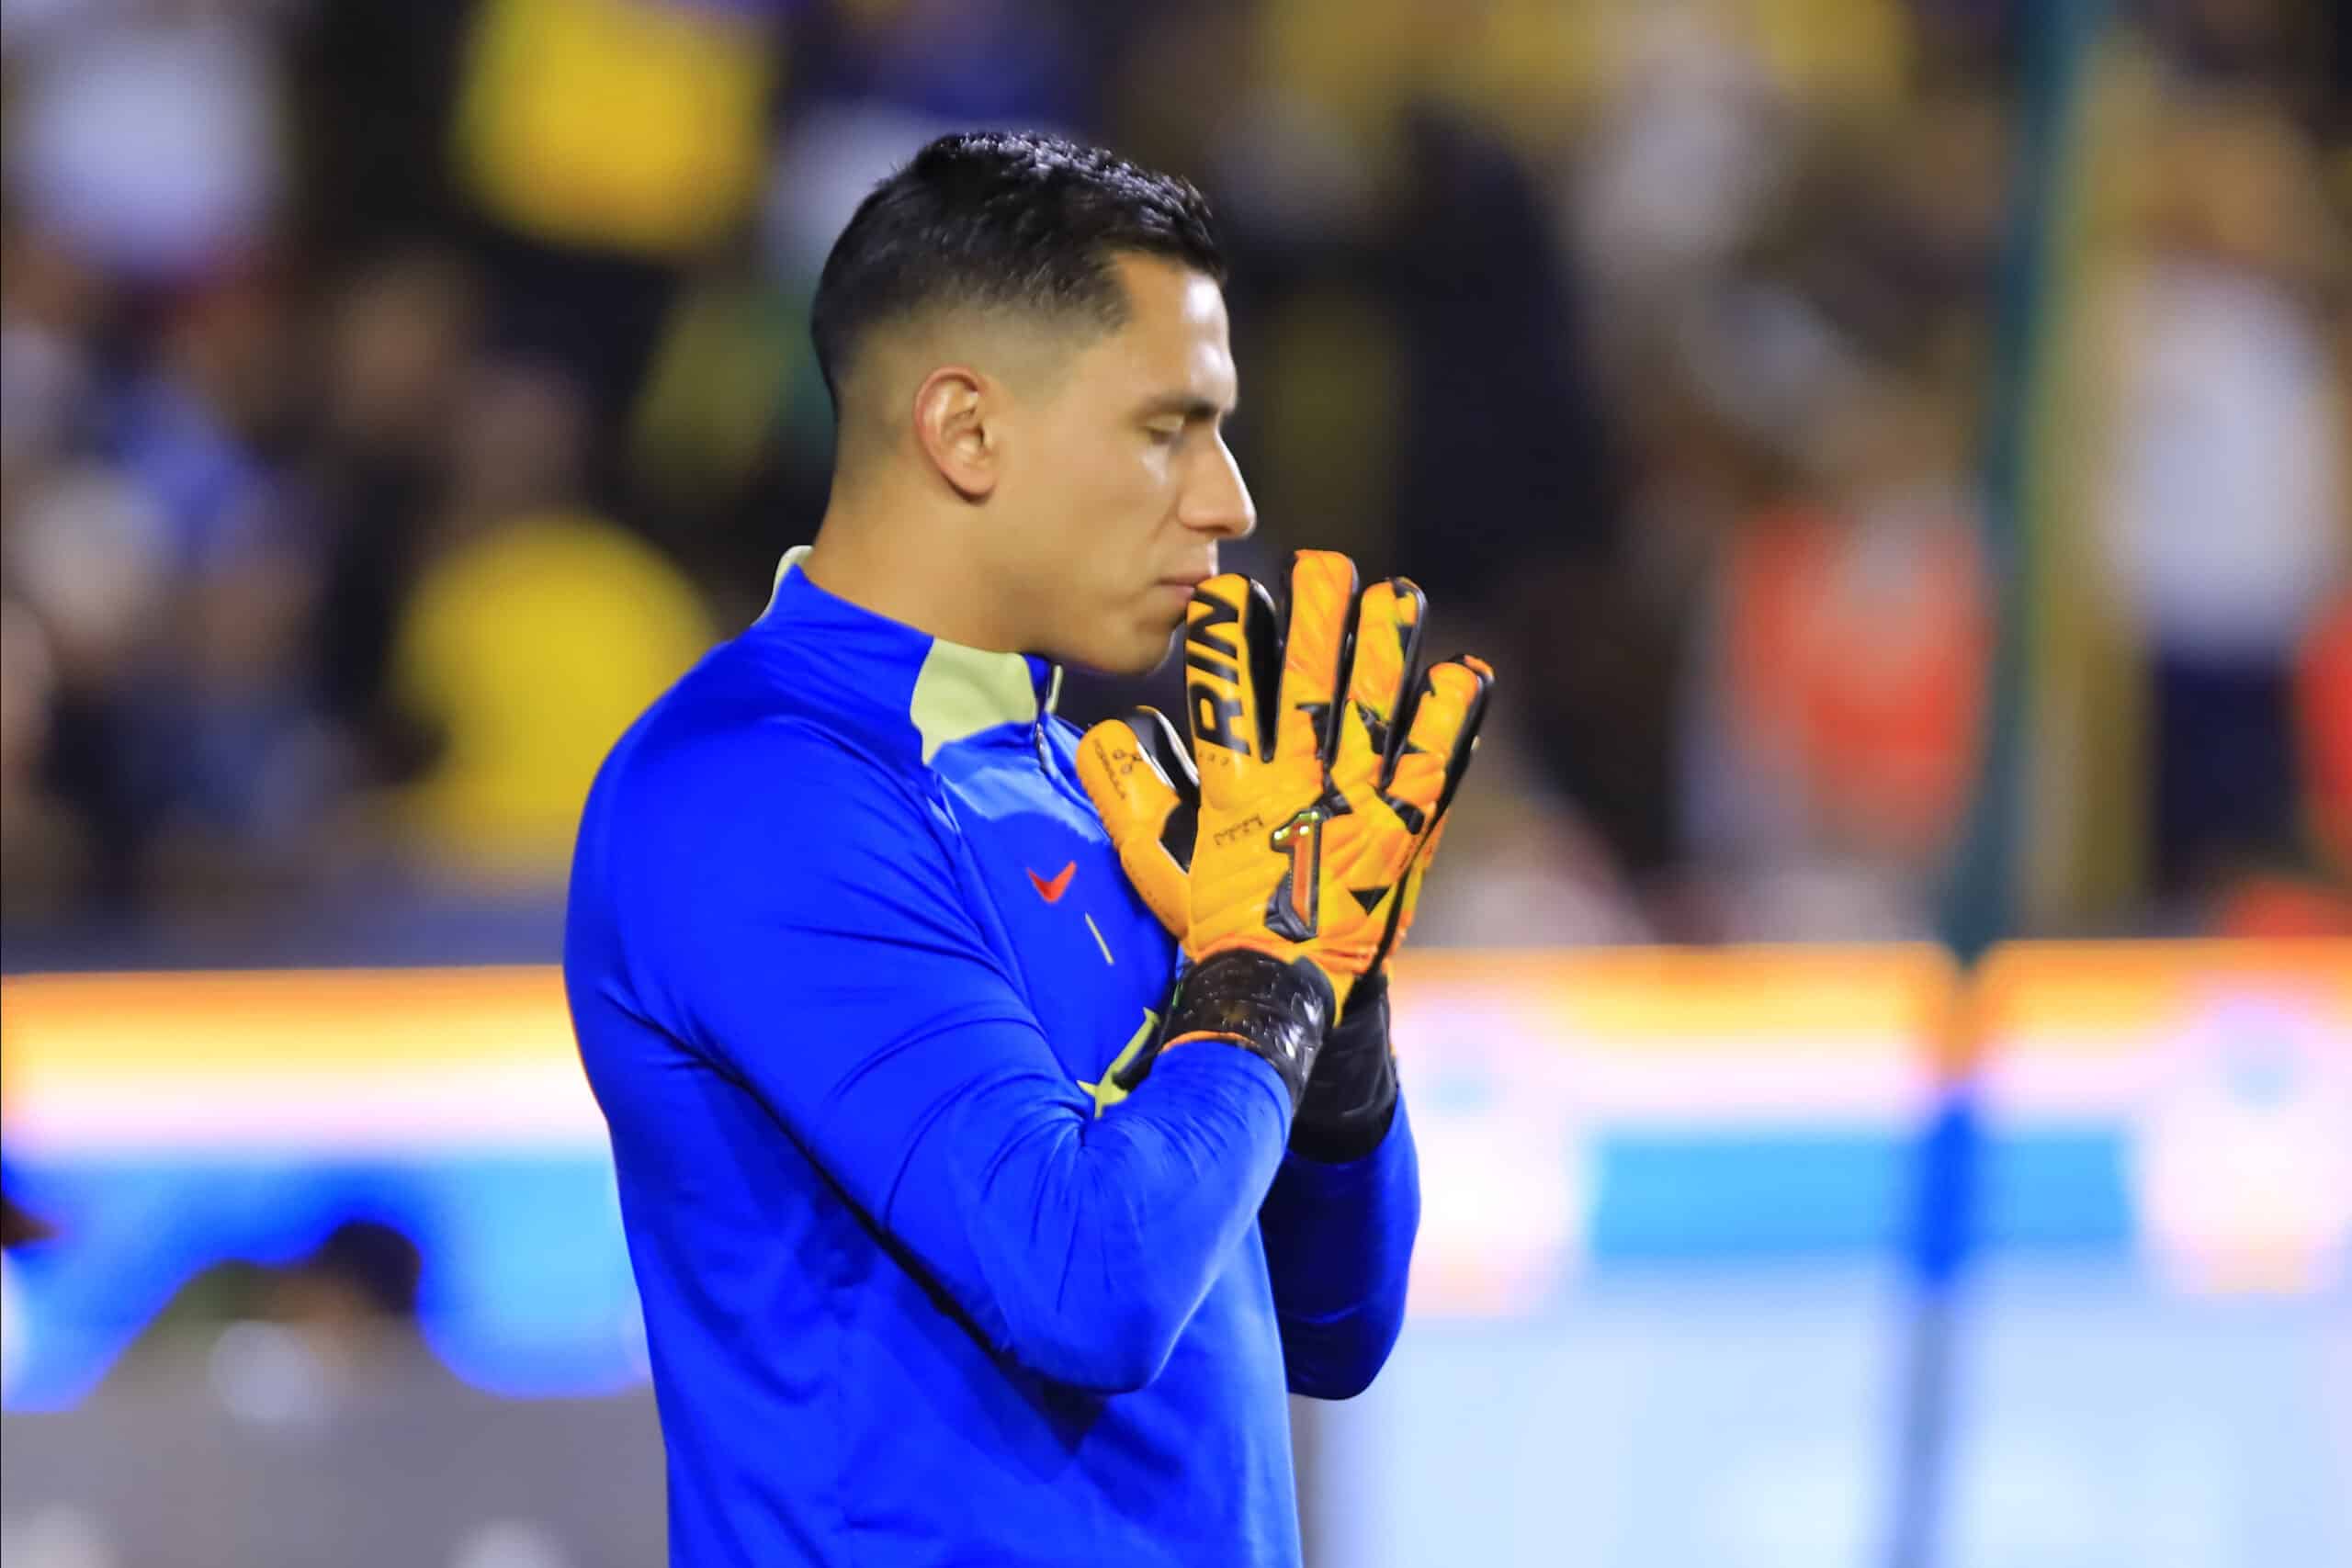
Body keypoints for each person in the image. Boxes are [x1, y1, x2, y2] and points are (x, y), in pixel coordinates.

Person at [564, 130, 1491, 1567]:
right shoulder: (748, 795)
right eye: (1165, 428)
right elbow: (1092, 1283)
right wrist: (1261, 974)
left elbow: (1334, 1321)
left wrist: (1338, 1007)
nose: (1230, 499)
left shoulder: (1087, 781)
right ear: (966, 431)